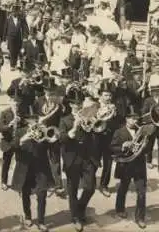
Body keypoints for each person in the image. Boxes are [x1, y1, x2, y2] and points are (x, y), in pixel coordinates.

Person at [59, 86, 99, 232]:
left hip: (87, 157)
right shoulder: (64, 120)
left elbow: (95, 135)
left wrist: (93, 125)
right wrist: (74, 129)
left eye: (80, 103)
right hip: (72, 158)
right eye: (75, 104)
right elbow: (62, 139)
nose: (78, 106)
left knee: (90, 187)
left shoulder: (88, 116)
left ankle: (80, 209)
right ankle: (75, 217)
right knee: (72, 189)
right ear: (70, 105)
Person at [11, 115, 53, 232]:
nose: (34, 123)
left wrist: (49, 138)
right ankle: (28, 216)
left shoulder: (43, 131)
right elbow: (13, 147)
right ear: (26, 122)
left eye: (35, 121)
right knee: (25, 194)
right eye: (31, 121)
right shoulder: (20, 132)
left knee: (42, 195)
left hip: (41, 168)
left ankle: (41, 221)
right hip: (25, 168)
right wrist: (22, 139)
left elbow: (51, 145)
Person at [110, 112, 147, 229]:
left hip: (139, 165)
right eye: (132, 118)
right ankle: (120, 209)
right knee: (123, 187)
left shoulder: (141, 132)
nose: (134, 121)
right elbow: (112, 148)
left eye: (136, 118)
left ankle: (140, 218)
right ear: (126, 119)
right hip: (126, 164)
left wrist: (145, 145)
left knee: (141, 192)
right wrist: (123, 146)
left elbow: (146, 149)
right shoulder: (119, 132)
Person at [143, 85, 159, 175]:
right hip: (152, 125)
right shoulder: (148, 100)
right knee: (150, 144)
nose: (156, 93)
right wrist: (154, 111)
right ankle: (148, 161)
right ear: (151, 92)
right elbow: (144, 112)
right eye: (154, 91)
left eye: (158, 91)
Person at [3, 0, 28, 71]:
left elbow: (25, 28)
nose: (15, 12)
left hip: (18, 37)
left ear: (18, 11)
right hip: (10, 38)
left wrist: (25, 37)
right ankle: (12, 65)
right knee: (12, 51)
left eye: (16, 11)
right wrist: (4, 38)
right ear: (12, 12)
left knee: (19, 51)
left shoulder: (21, 19)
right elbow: (5, 28)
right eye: (13, 11)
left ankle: (21, 65)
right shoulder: (8, 19)